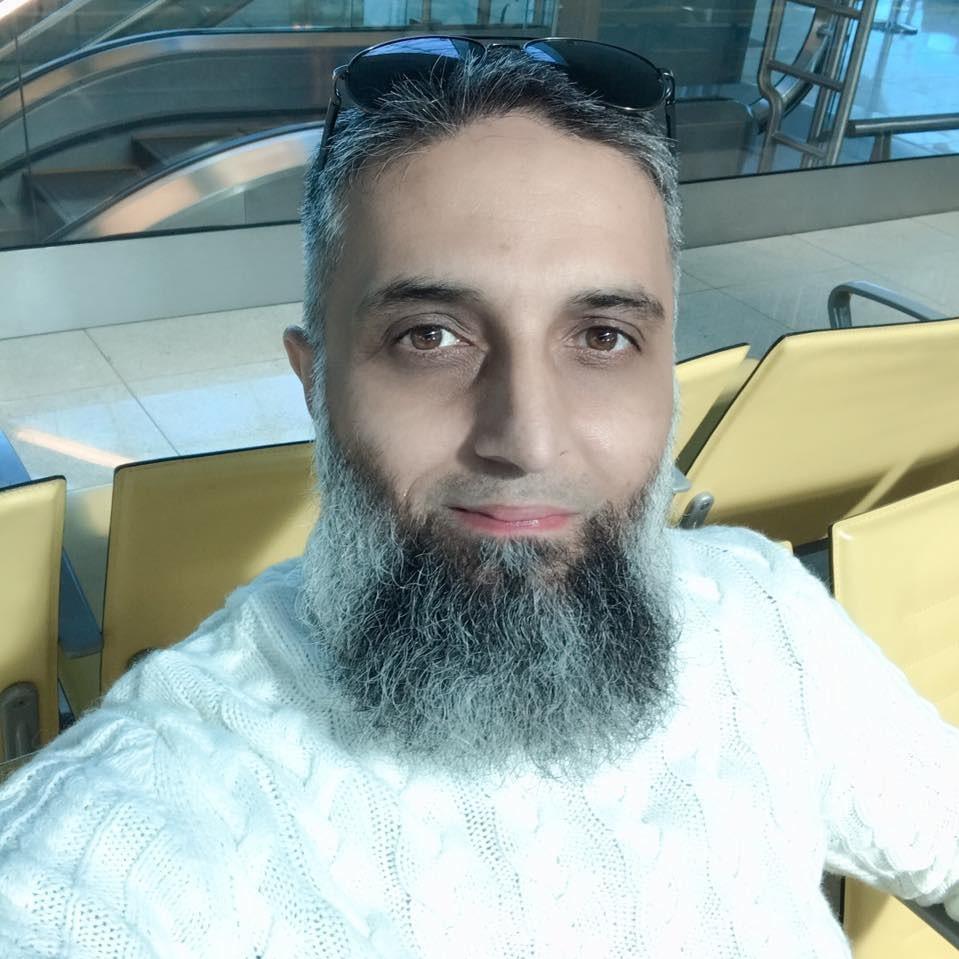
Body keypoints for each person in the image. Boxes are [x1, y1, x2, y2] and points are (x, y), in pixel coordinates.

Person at [0, 38, 957, 958]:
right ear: (313, 380)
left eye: (603, 337)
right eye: (429, 335)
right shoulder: (142, 817)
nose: (527, 440)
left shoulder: (764, 620)